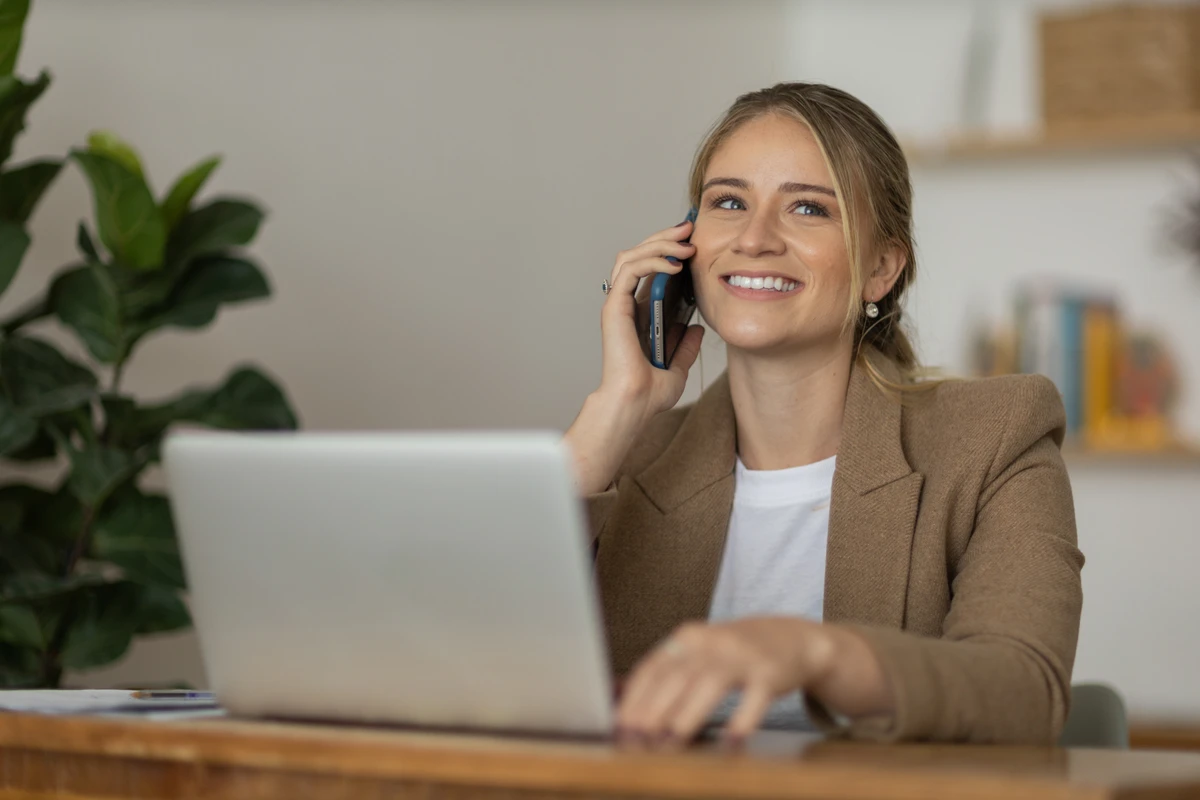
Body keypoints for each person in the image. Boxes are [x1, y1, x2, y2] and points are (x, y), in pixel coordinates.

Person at [563, 82, 1083, 746]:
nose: (754, 238)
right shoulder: (624, 455)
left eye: (807, 208)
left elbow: (1024, 691)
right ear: (684, 249)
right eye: (729, 202)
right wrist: (616, 408)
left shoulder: (994, 437)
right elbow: (464, 656)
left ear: (881, 268)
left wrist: (815, 654)